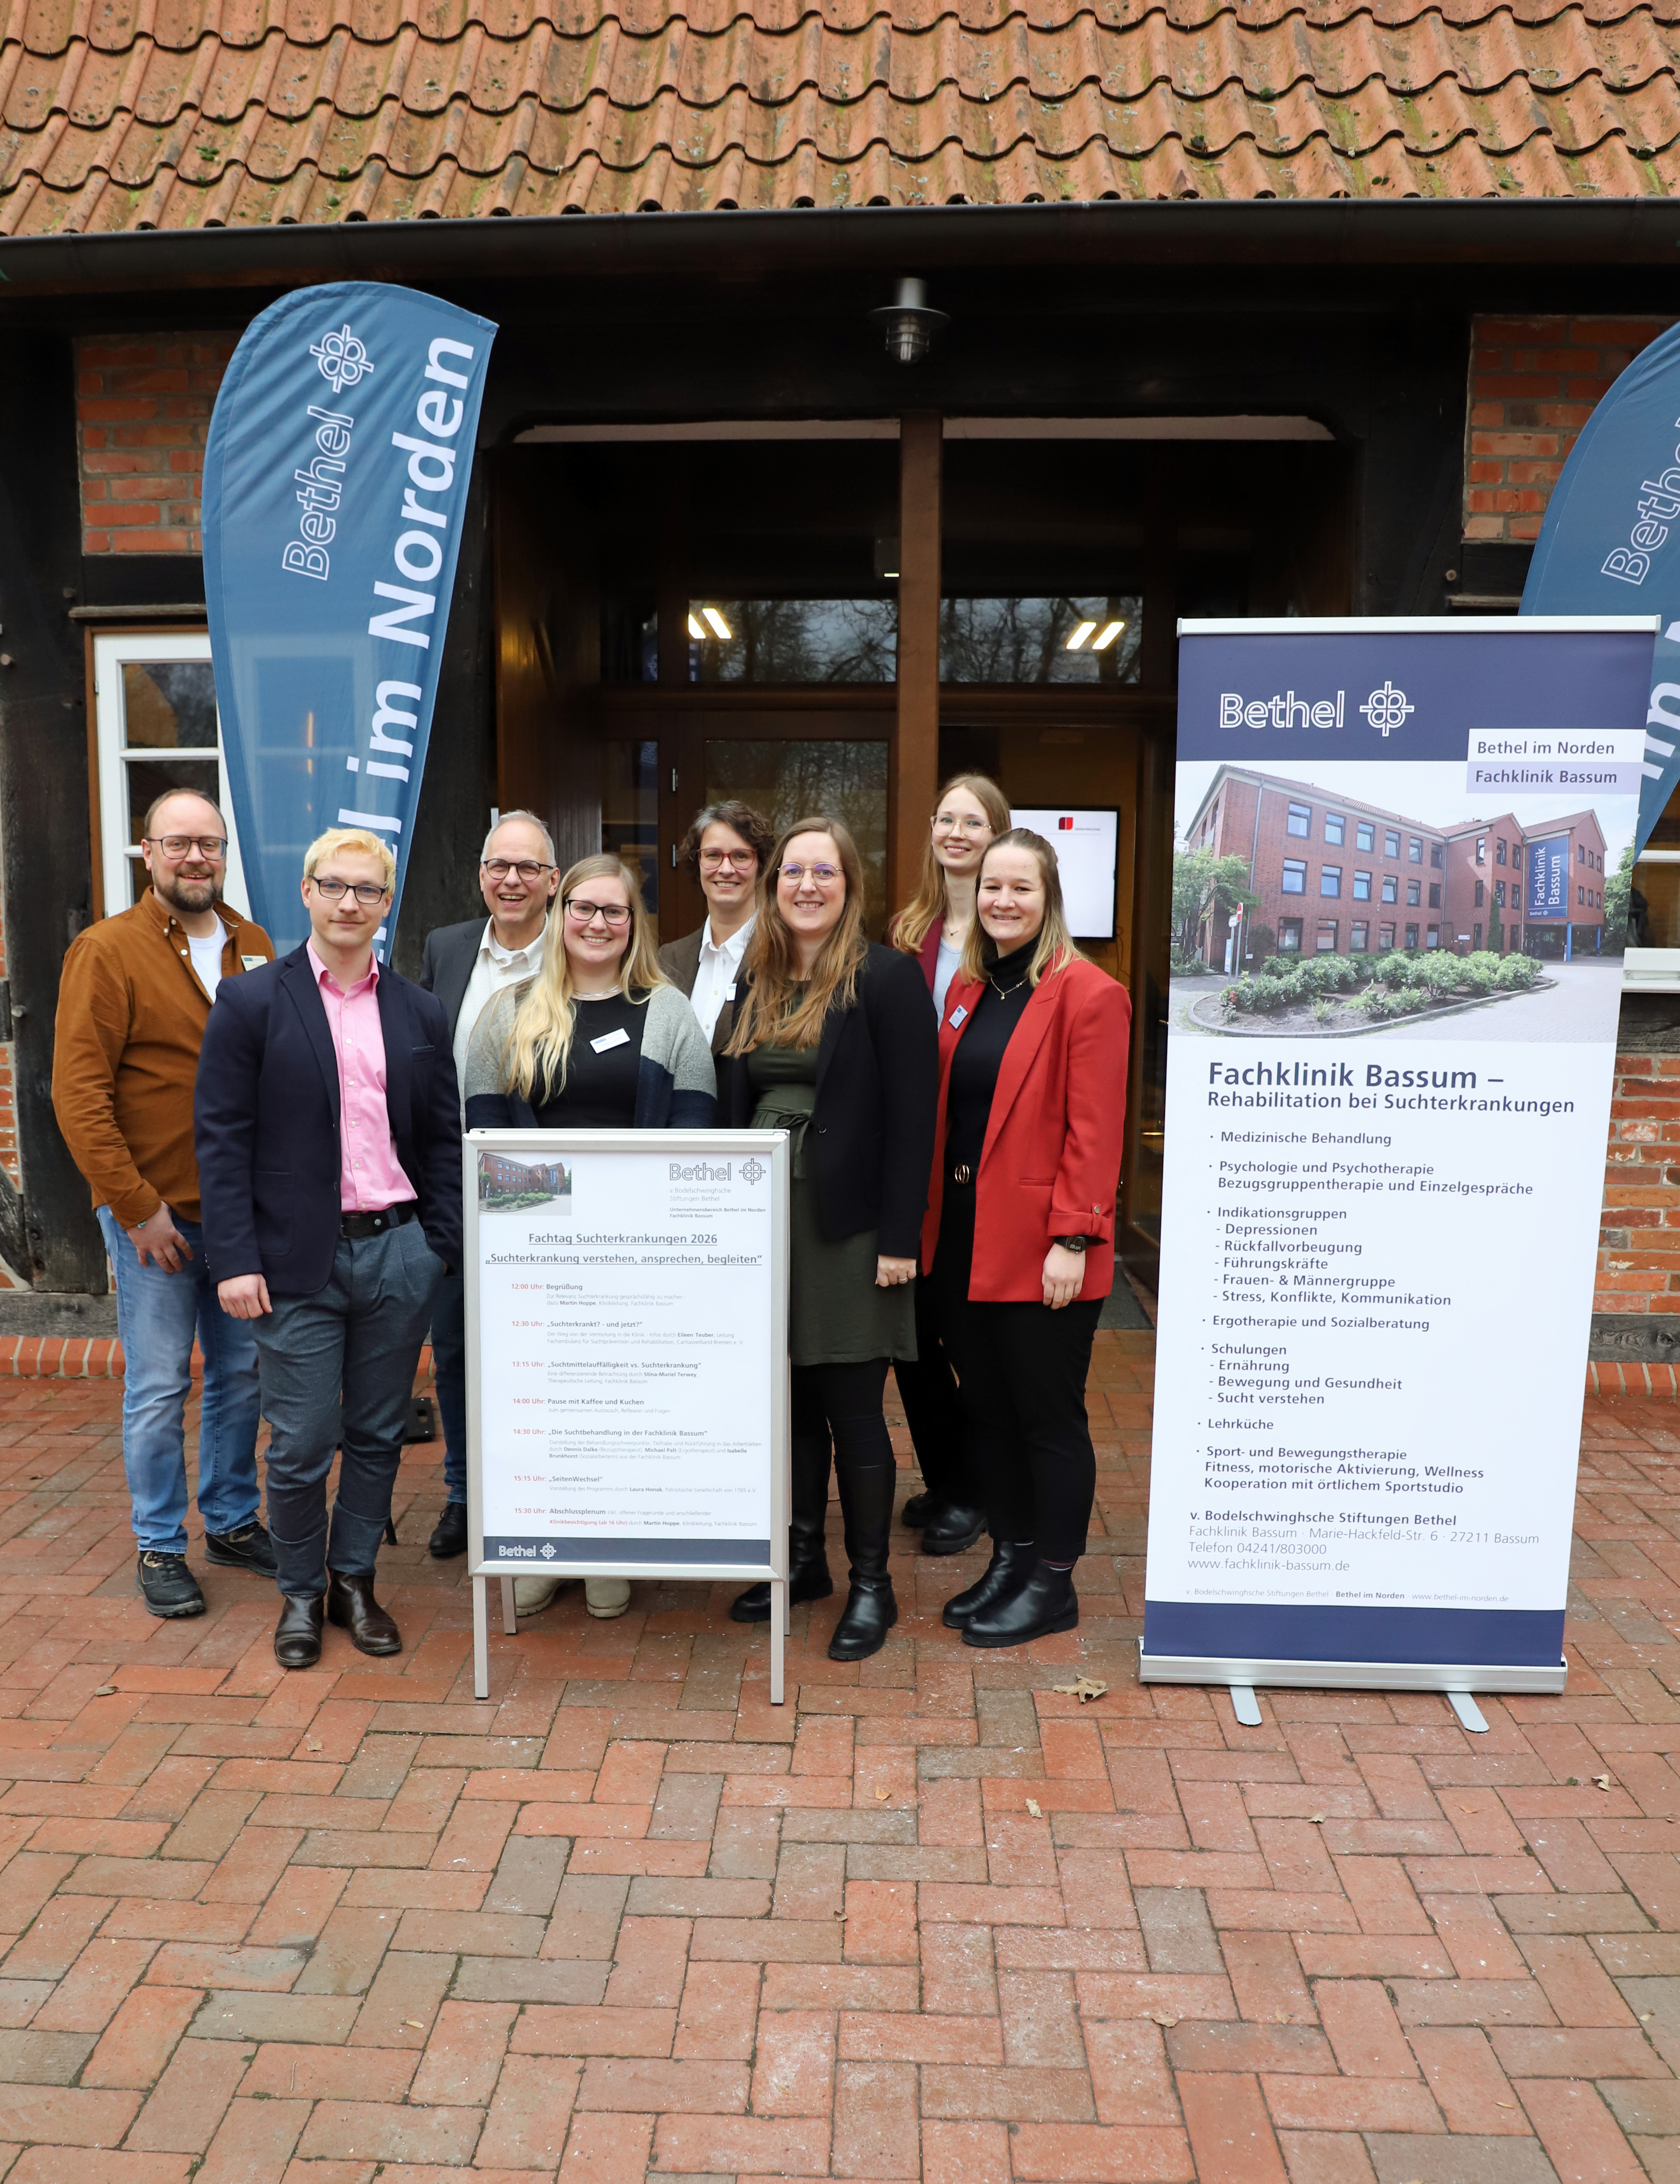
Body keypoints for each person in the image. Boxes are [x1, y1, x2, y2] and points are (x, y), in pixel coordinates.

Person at [195, 827, 462, 1670]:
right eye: (335, 885)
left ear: (386, 904)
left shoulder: (420, 1011)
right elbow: (221, 1140)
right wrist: (235, 1259)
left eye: (367, 889)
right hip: (292, 1262)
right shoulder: (250, 1002)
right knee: (303, 1440)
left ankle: (354, 1581)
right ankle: (302, 1593)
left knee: (378, 1433)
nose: (350, 902)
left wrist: (438, 1246)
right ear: (307, 892)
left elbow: (443, 1140)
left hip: (397, 1253)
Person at [465, 852, 716, 1621]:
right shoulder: (507, 1010)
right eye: (583, 908)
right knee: (545, 1407)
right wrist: (570, 1207)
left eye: (614, 911)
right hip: (536, 1253)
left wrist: (623, 1217)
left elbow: (694, 1136)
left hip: (637, 1254)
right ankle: (549, 1545)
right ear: (559, 913)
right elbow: (484, 1139)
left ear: (633, 924)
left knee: (618, 1408)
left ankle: (609, 1547)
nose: (597, 923)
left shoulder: (669, 1012)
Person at [51, 790, 277, 1619]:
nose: (196, 858)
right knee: (156, 1385)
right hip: (156, 1215)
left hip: (240, 1213)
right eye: (177, 843)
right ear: (147, 853)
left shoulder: (253, 944)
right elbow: (79, 1096)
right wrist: (135, 1207)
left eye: (209, 844)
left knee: (241, 1374)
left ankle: (232, 1520)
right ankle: (158, 1542)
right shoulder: (106, 950)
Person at [721, 816, 937, 1661]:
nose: (806, 886)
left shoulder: (886, 976)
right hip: (762, 1218)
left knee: (852, 1406)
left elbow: (914, 1118)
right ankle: (803, 1559)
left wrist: (898, 1239)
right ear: (773, 885)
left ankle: (871, 1585)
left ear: (850, 886)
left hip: (850, 1226)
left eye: (824, 872)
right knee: (791, 1402)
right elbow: (734, 1096)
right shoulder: (757, 974)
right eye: (792, 872)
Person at [923, 828, 1130, 1648]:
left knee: (1047, 1418)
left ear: (1049, 899)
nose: (1002, 901)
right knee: (990, 1414)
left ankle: (1052, 1582)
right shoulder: (970, 987)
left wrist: (1073, 1239)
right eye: (991, 887)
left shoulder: (1089, 994)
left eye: (1021, 888)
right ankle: (1010, 1558)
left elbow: (1095, 1131)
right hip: (965, 1240)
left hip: (1044, 1247)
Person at [417, 811, 561, 1564]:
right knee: (457, 1348)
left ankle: (545, 1491)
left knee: (541, 1349)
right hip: (452, 1183)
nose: (512, 880)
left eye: (528, 868)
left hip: (544, 1188)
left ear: (553, 882)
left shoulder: (577, 948)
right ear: (481, 875)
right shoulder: (446, 947)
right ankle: (465, 1492)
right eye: (499, 866)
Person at [888, 773, 1012, 1555]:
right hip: (914, 1158)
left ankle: (978, 1489)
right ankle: (946, 1477)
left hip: (976, 1162)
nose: (956, 833)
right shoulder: (910, 932)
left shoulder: (1012, 936)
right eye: (945, 819)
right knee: (912, 1337)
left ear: (997, 834)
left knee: (968, 1338)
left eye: (973, 822)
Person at [657, 801, 777, 1059]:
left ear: (761, 865)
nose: (726, 869)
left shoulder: (782, 954)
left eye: (741, 856)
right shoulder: (669, 960)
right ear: (698, 862)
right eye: (713, 855)